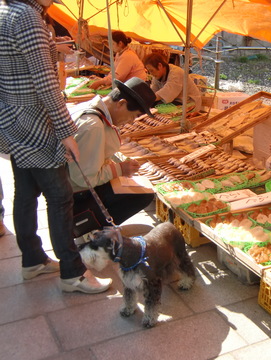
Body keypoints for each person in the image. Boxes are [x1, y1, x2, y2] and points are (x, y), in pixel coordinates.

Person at [0, 0, 111, 293]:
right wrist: (66, 131)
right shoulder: (27, 16)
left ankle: (33, 259)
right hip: (35, 122)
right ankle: (72, 273)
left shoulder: (8, 10)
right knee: (60, 196)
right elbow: (46, 81)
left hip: (13, 117)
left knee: (25, 193)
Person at [68, 77, 156, 235]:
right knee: (144, 195)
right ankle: (95, 230)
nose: (131, 121)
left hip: (72, 184)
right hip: (75, 195)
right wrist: (120, 169)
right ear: (121, 103)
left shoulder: (89, 108)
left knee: (132, 187)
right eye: (134, 115)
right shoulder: (93, 126)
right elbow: (85, 179)